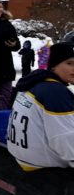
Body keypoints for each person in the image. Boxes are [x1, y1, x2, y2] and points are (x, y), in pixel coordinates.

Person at [7, 42, 74, 171]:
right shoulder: (54, 92)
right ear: (53, 66)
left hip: (25, 157)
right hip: (45, 165)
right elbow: (66, 141)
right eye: (69, 63)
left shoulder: (34, 83)